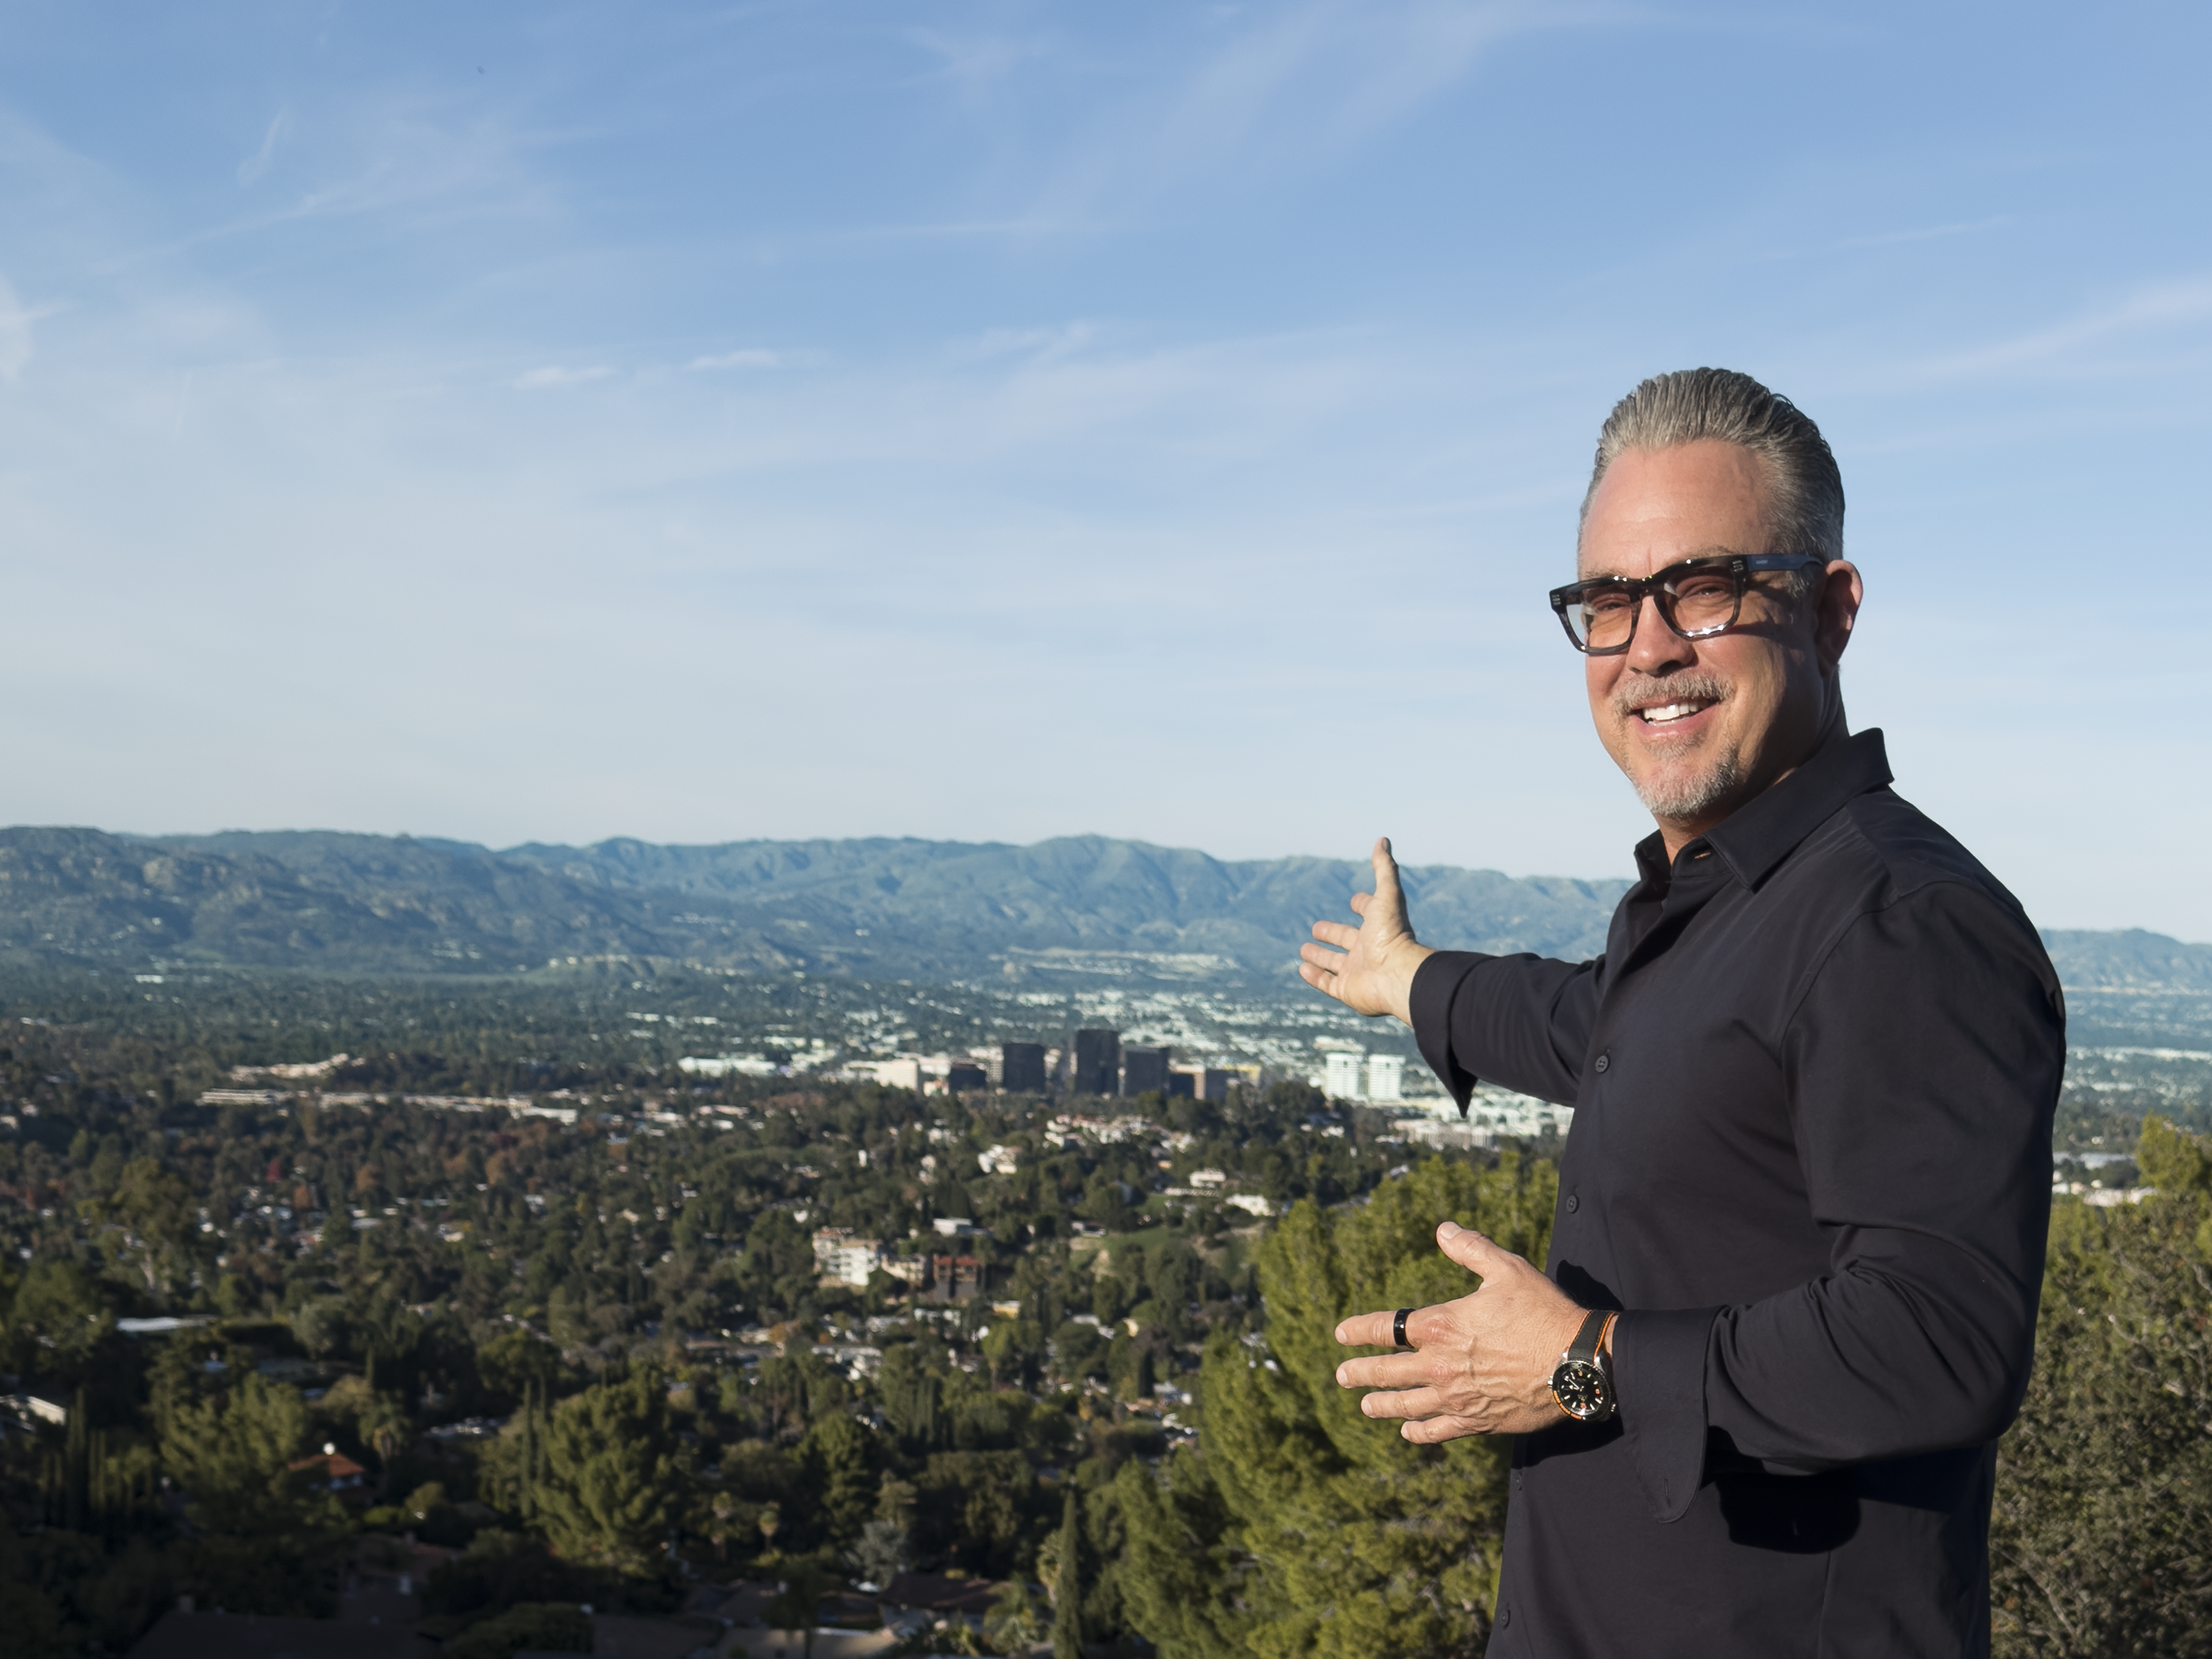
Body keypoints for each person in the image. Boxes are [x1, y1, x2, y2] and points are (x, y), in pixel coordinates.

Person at [1296, 367, 2062, 1657]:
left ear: (1830, 609)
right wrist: (1409, 978)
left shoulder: (1898, 920)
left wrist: (1583, 1360)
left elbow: (1941, 1337)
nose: (1649, 644)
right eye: (1608, 600)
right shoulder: (1722, 906)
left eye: (1703, 586)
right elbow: (1591, 1027)